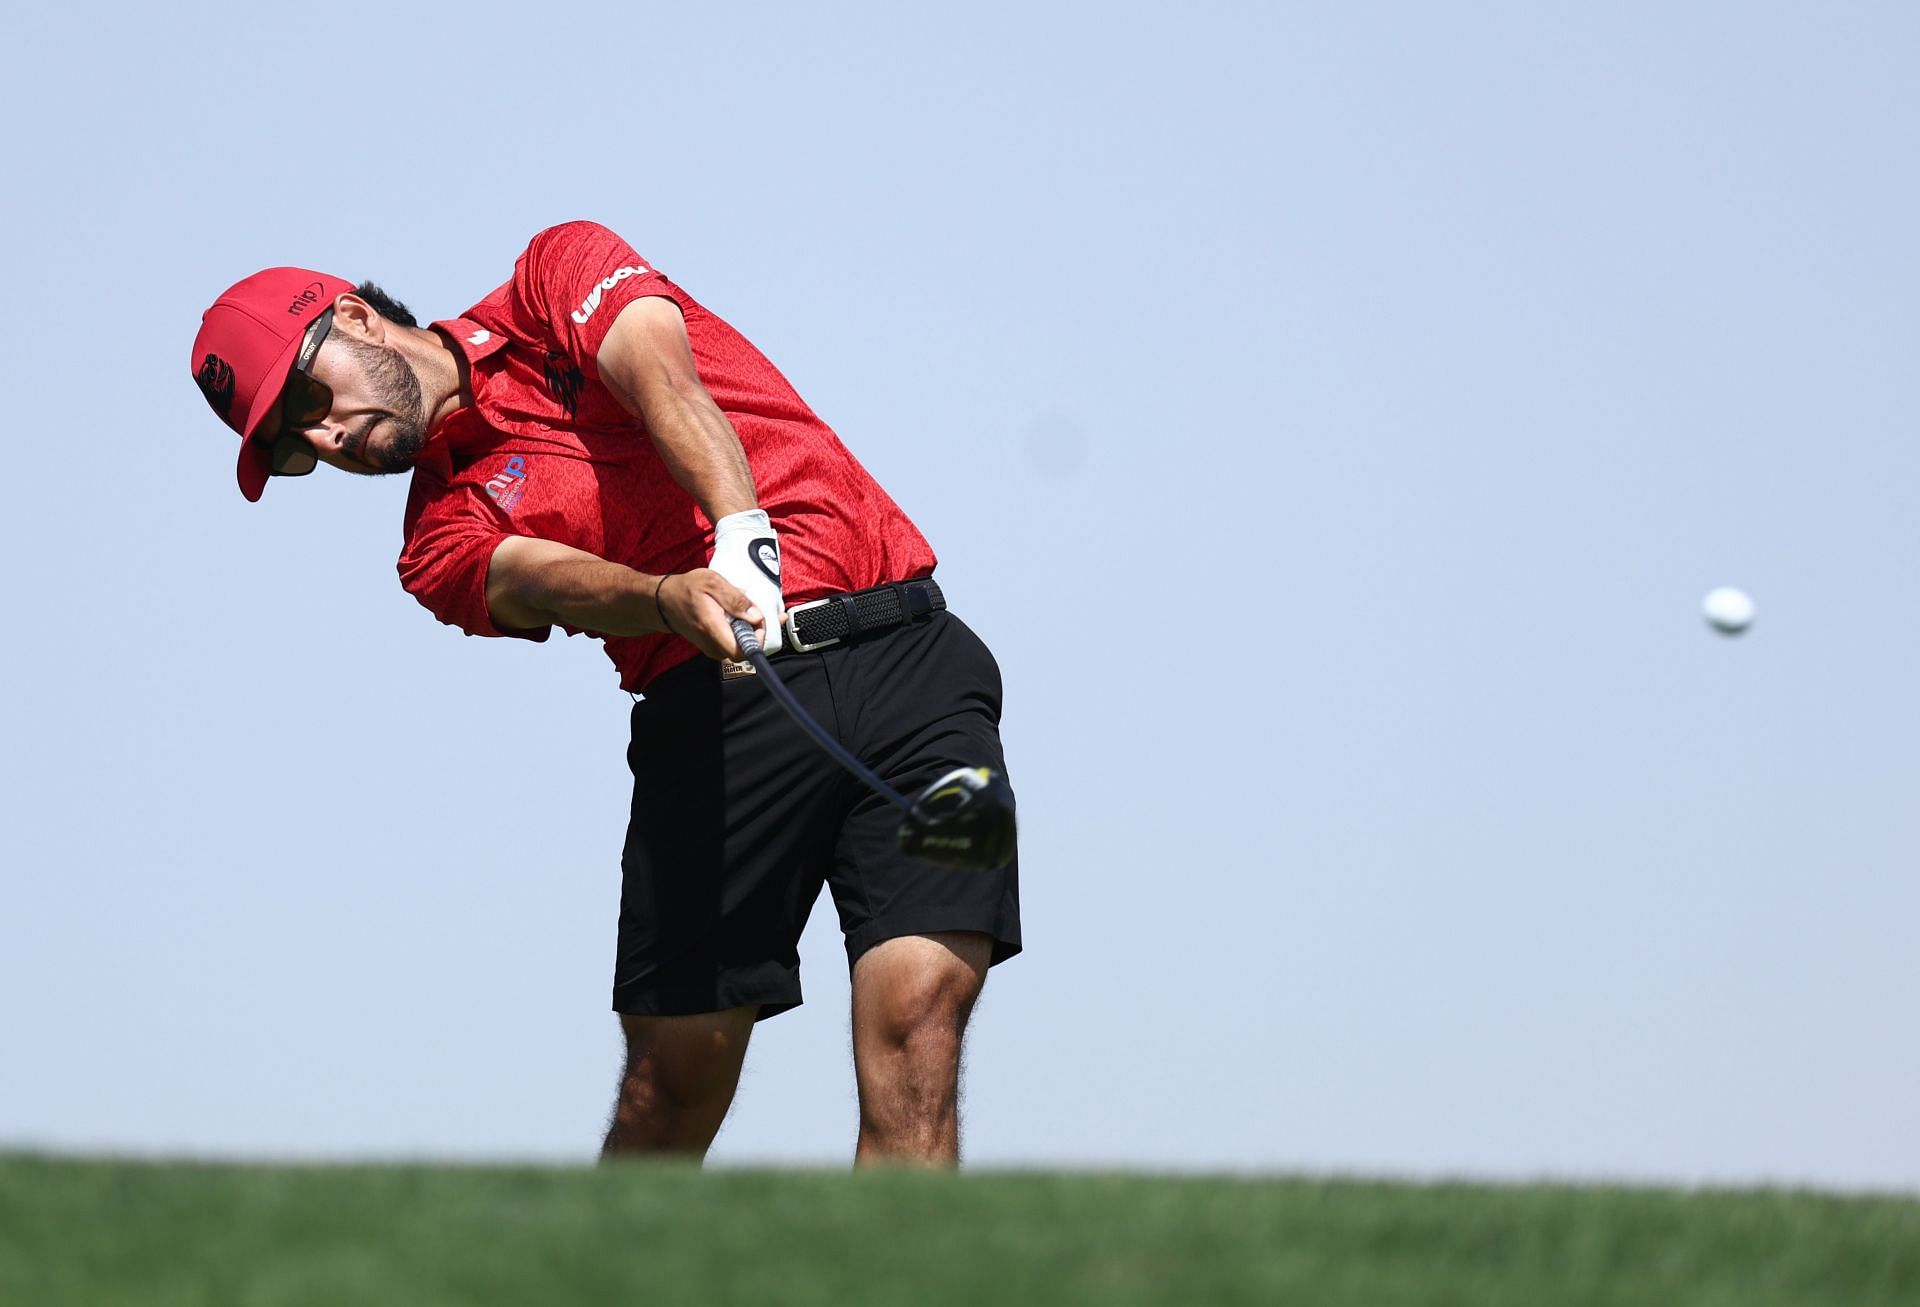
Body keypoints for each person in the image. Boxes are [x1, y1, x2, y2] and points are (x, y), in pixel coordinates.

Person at [188, 220, 1021, 1166]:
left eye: (306, 398)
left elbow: (662, 377)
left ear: (354, 318)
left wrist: (739, 528)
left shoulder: (557, 273)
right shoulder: (433, 545)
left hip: (916, 662)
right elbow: (543, 576)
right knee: (670, 1091)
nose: (325, 437)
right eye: (296, 447)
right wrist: (669, 597)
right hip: (712, 727)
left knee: (923, 1025)